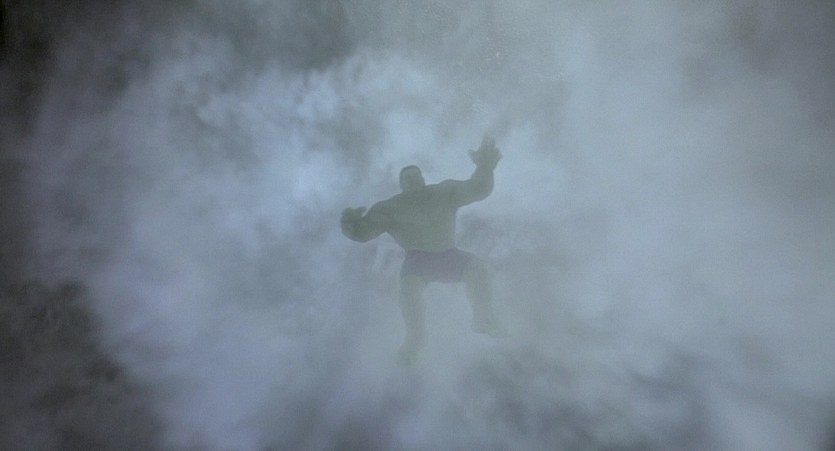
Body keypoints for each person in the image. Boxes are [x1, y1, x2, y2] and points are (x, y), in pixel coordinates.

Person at [341, 135, 506, 365]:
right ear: (401, 184)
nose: (413, 180)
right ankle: (415, 339)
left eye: (416, 175)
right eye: (407, 178)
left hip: (448, 255)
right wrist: (351, 226)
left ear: (423, 178)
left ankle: (483, 316)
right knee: (408, 291)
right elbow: (364, 232)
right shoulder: (390, 208)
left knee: (478, 270)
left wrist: (485, 168)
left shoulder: (444, 192)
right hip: (418, 260)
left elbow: (478, 189)